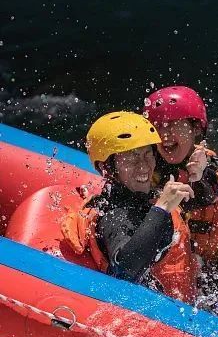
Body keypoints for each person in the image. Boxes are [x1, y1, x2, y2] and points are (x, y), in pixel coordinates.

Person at [143, 86, 218, 319]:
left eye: (174, 124)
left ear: (196, 128)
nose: (165, 133)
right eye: (158, 126)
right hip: (173, 264)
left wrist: (198, 178)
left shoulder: (216, 173)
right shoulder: (146, 166)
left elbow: (211, 192)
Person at [61, 112, 199, 303]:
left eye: (148, 154)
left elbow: (205, 199)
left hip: (188, 299)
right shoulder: (113, 214)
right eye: (131, 157)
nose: (144, 166)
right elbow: (125, 270)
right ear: (107, 167)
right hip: (161, 313)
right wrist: (161, 209)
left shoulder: (145, 195)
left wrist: (200, 173)